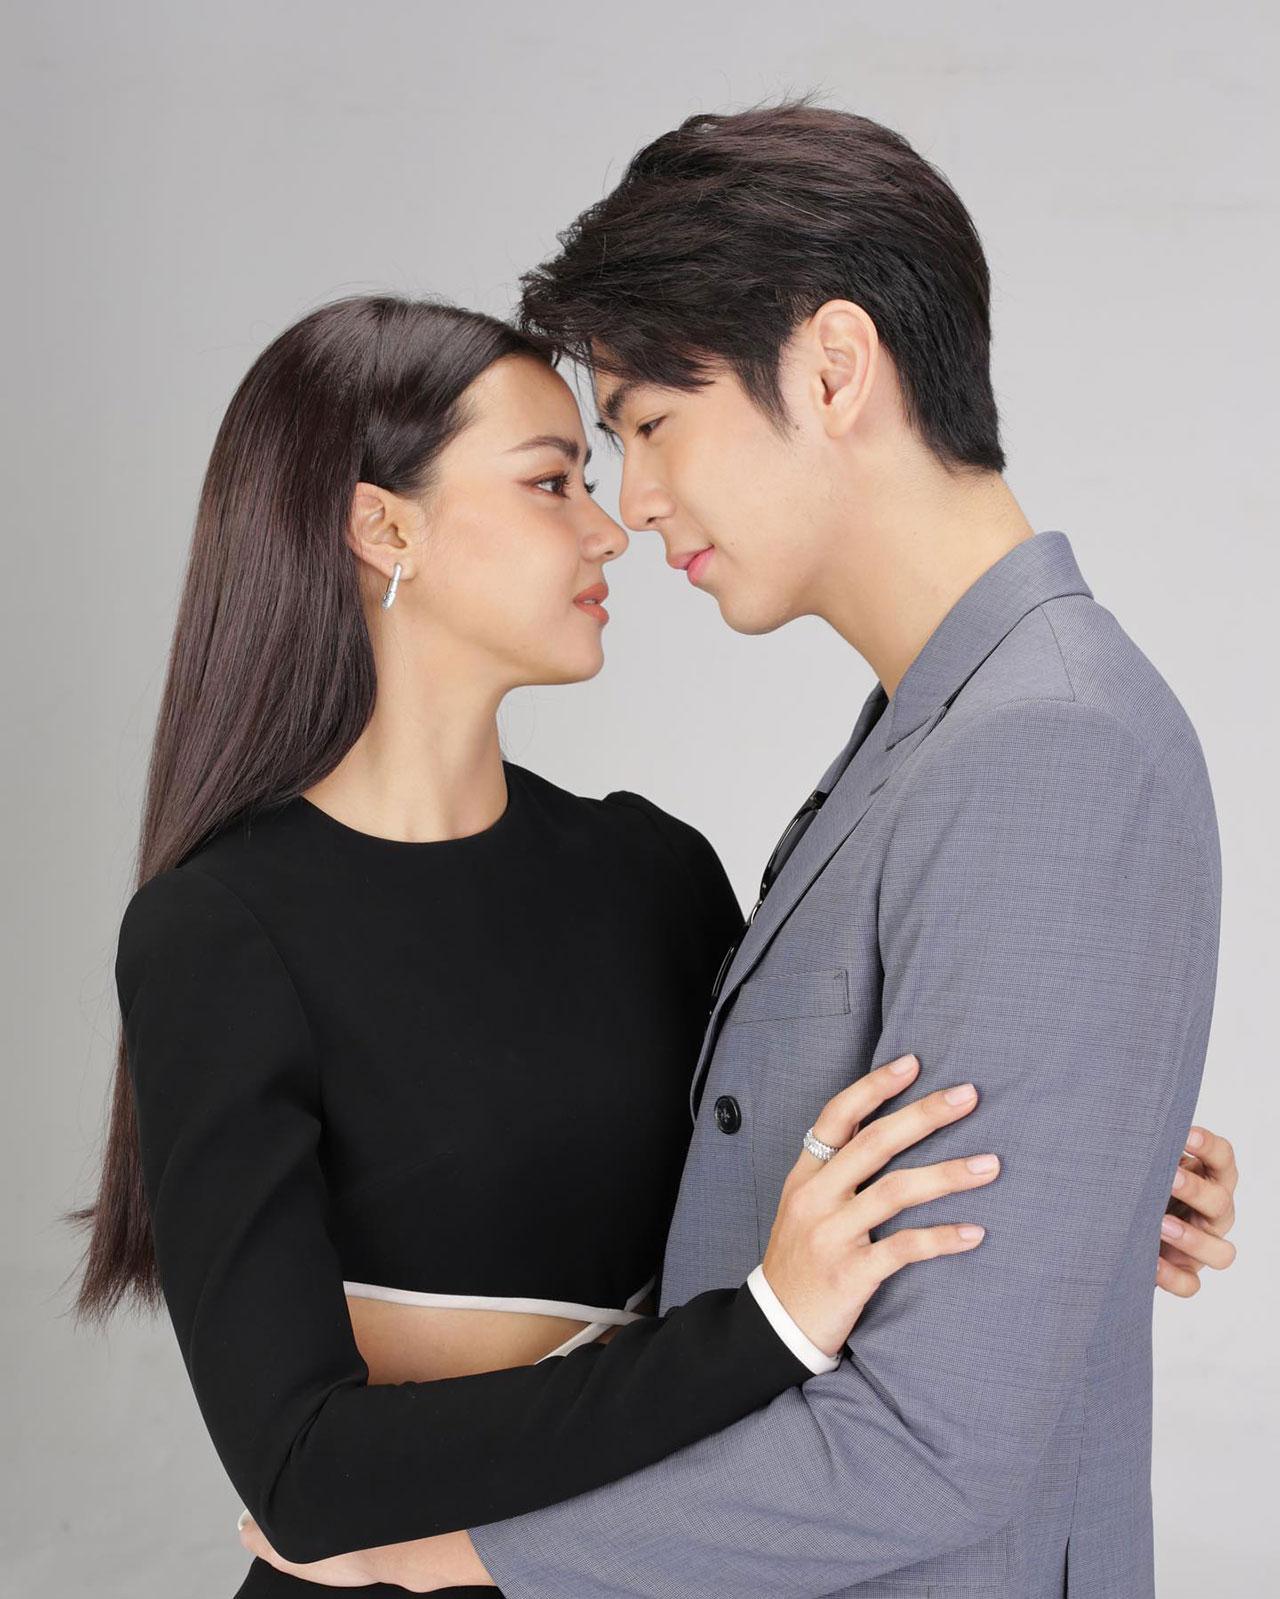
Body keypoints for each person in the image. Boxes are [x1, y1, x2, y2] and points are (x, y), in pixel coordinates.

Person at [258, 100, 1240, 1597]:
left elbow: (934, 1445)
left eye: (651, 422)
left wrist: (444, 1552)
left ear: (834, 368)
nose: (635, 504)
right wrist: (1083, 1154)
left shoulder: (1047, 741)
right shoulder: (942, 720)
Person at [69, 293, 1040, 1599]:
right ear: (383, 526)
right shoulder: (220, 933)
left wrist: (1067, 1169)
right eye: (551, 481)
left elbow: (825, 1175)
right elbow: (302, 1475)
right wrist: (758, 1336)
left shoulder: (655, 872)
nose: (610, 527)